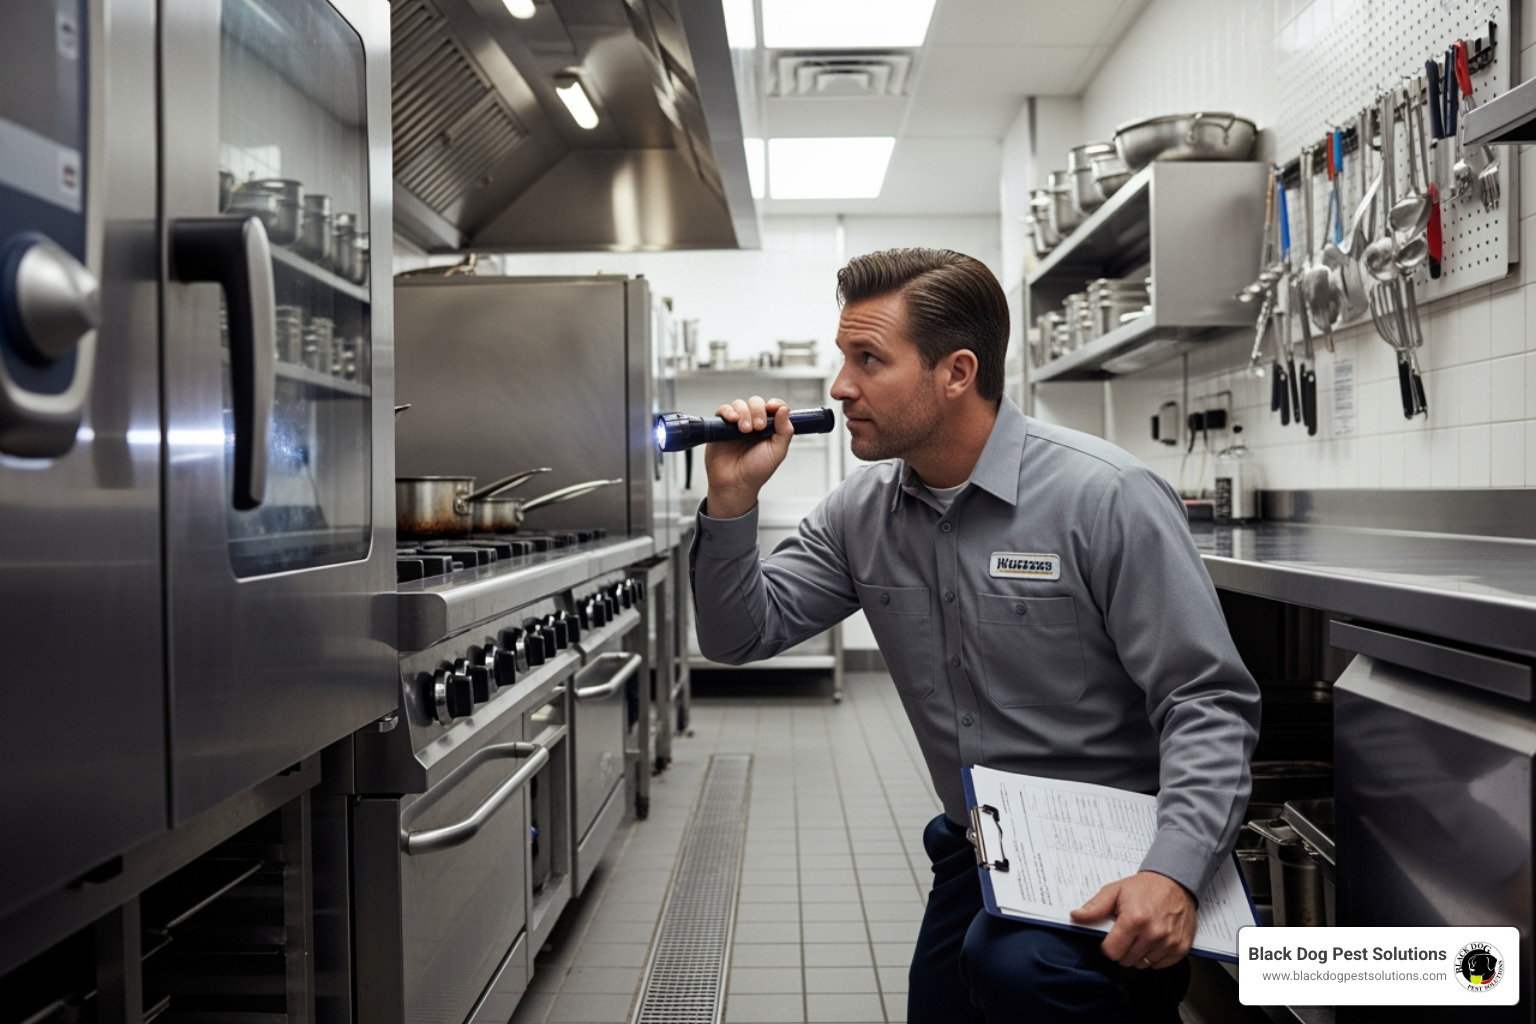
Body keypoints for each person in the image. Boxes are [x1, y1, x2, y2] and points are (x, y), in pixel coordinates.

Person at [688, 248, 1261, 1023]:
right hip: (979, 848)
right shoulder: (860, 515)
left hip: (1115, 844)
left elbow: (1205, 700)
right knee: (945, 1003)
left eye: (868, 359)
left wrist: (1174, 871)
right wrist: (730, 499)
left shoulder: (1105, 497)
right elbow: (736, 636)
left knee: (1020, 973)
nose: (839, 387)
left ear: (955, 372)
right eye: (842, 357)